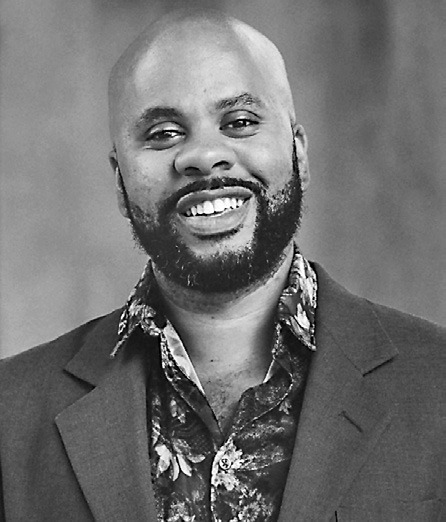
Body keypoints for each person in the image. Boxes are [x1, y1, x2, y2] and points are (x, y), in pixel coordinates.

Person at [0, 9, 445, 522]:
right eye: (164, 133)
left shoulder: (436, 384)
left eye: (240, 122)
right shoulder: (12, 414)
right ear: (120, 180)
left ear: (298, 153)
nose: (205, 154)